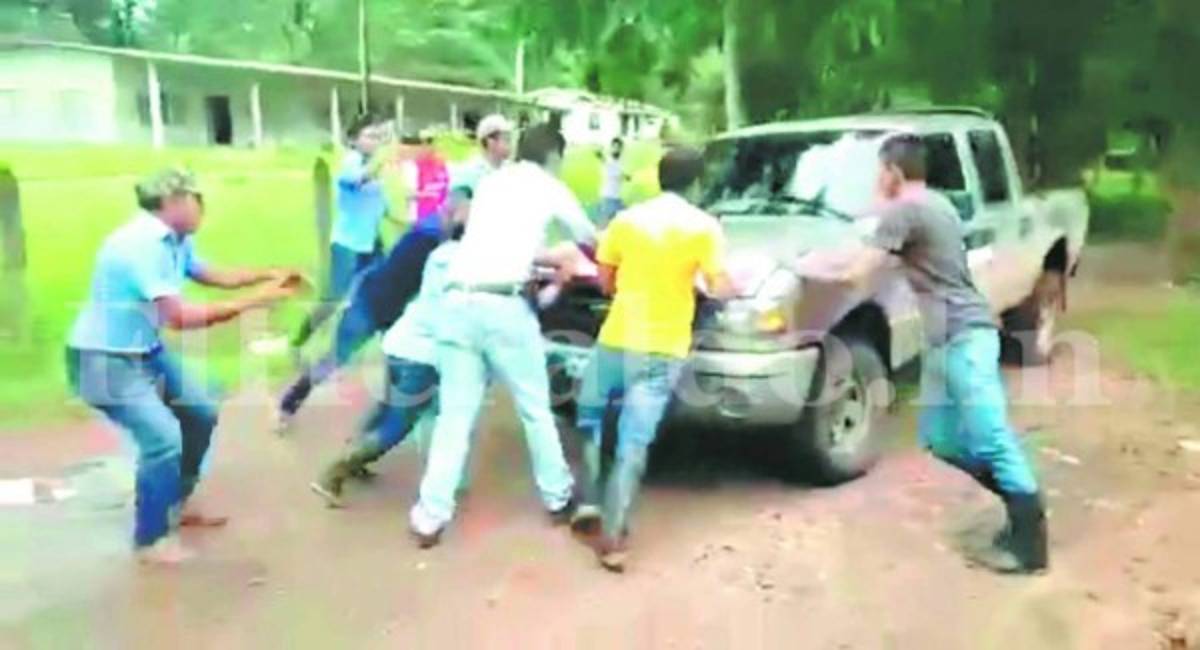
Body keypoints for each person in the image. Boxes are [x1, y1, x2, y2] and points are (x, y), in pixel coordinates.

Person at [828, 134, 1048, 574]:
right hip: (945, 340)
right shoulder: (937, 204)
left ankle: (1030, 545)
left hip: (965, 336)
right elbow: (888, 258)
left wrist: (805, 270)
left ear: (893, 172)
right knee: (941, 440)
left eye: (879, 171)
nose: (877, 179)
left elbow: (859, 271)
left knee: (991, 437)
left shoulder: (906, 210)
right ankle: (1017, 498)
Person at [65, 169, 302, 565]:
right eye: (196, 199)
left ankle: (174, 500)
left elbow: (213, 275)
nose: (202, 207)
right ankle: (151, 540)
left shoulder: (175, 239)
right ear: (172, 202)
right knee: (162, 440)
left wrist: (269, 274)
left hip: (143, 351)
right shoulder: (140, 246)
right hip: (103, 360)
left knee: (200, 414)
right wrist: (258, 300)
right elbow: (180, 317)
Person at [408, 124, 597, 548]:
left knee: (454, 416)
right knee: (534, 406)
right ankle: (558, 497)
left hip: (456, 302)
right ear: (554, 156)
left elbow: (499, 241)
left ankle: (429, 517)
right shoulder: (547, 185)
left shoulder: (492, 182)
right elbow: (587, 236)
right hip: (502, 306)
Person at [568, 148, 734, 572]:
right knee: (634, 442)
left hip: (617, 339)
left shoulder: (625, 221)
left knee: (589, 415)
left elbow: (605, 281)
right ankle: (614, 537)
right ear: (696, 183)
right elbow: (719, 287)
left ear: (659, 179)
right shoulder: (705, 227)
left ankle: (588, 501)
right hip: (664, 347)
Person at [308, 223, 463, 507]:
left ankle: (354, 457)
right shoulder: (468, 267)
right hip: (422, 356)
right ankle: (335, 472)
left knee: (386, 405)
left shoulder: (440, 255)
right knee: (399, 423)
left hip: (400, 341)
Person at [273, 216, 444, 431]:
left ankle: (377, 423)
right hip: (369, 305)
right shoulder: (438, 248)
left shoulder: (425, 234)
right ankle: (288, 405)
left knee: (395, 363)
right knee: (335, 359)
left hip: (387, 306)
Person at [290, 112, 388, 352]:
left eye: (377, 137)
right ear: (354, 140)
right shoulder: (352, 161)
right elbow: (354, 180)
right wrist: (378, 165)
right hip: (348, 244)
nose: (374, 142)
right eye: (369, 136)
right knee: (333, 298)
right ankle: (299, 341)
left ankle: (389, 345)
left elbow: (381, 206)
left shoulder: (374, 170)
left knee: (387, 289)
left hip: (371, 242)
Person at [597, 137, 628, 225]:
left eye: (619, 147)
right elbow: (605, 162)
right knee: (606, 225)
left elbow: (618, 173)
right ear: (611, 148)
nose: (616, 149)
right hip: (608, 198)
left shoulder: (620, 161)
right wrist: (600, 156)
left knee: (624, 222)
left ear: (621, 149)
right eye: (614, 147)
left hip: (616, 198)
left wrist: (625, 176)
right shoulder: (608, 160)